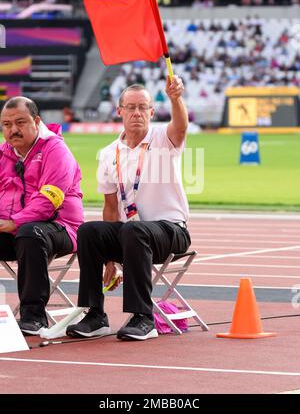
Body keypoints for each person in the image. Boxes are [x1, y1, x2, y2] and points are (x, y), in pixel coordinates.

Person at [66, 75, 191, 341]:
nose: (136, 113)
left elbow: (180, 128)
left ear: (152, 112)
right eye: (131, 107)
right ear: (119, 111)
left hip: (171, 231)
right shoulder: (110, 152)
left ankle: (143, 317)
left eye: (142, 107)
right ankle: (95, 314)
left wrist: (176, 97)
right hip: (129, 235)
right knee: (89, 231)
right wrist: (110, 260)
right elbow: (110, 208)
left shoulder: (162, 139)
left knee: (135, 232)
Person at [0, 97, 84, 335]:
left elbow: (49, 201)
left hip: (60, 227)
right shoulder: (2, 154)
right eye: (6, 124)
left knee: (30, 233)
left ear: (36, 122)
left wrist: (13, 222)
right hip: (15, 230)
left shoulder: (56, 150)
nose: (13, 130)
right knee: (27, 233)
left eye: (19, 122)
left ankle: (33, 318)